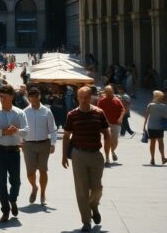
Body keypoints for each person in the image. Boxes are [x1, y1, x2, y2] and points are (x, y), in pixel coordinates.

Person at [62, 86, 111, 232]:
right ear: (77, 98)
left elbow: (106, 134)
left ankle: (94, 206)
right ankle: (86, 221)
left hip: (96, 155)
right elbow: (66, 136)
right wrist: (64, 155)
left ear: (91, 98)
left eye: (86, 97)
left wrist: (107, 154)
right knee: (82, 190)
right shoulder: (72, 115)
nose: (83, 100)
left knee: (97, 188)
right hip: (79, 155)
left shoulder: (99, 113)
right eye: (80, 97)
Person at [0, 85, 28, 223]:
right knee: (1, 182)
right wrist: (3, 132)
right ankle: (5, 210)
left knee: (16, 181)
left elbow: (26, 131)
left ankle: (13, 199)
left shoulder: (19, 113)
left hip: (14, 151)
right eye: (0, 96)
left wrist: (16, 130)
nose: (1, 99)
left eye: (4, 96)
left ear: (12, 96)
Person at [23, 87, 57, 206]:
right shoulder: (25, 112)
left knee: (43, 170)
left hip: (44, 144)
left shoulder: (46, 111)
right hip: (28, 145)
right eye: (31, 96)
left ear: (39, 96)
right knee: (30, 173)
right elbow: (21, 129)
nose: (33, 98)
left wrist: (53, 143)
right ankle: (34, 187)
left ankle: (43, 194)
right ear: (29, 98)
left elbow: (52, 129)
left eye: (35, 96)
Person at [97, 85, 125, 165]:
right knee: (107, 140)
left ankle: (112, 151)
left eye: (110, 92)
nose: (109, 94)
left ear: (112, 91)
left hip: (116, 123)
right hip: (106, 124)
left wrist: (121, 118)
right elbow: (98, 111)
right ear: (105, 92)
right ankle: (107, 158)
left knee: (115, 141)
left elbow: (123, 110)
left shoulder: (117, 100)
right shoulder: (101, 101)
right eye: (107, 92)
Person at [143, 90, 167, 165]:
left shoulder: (150, 105)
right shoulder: (164, 106)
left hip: (151, 127)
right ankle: (163, 157)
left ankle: (152, 159)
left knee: (152, 143)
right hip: (159, 127)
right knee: (161, 142)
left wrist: (144, 126)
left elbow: (146, 117)